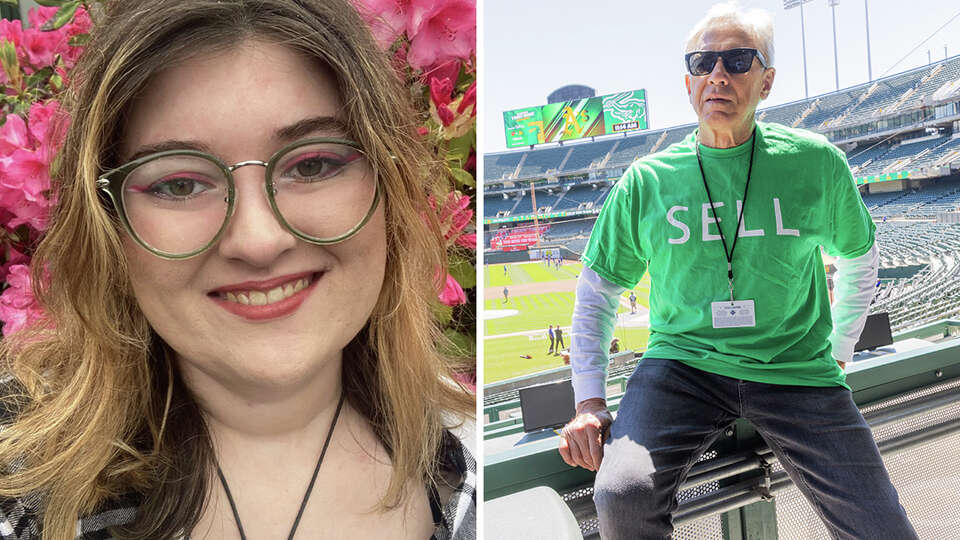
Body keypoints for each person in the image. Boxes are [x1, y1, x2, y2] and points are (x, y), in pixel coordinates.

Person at [0, 2, 475, 540]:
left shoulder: (474, 471)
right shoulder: (18, 490)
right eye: (179, 184)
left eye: (312, 164)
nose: (259, 240)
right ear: (107, 222)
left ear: (391, 183)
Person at [558, 4, 917, 539]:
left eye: (737, 59)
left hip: (796, 367)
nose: (717, 75)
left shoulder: (816, 163)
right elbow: (597, 292)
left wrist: (839, 350)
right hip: (682, 367)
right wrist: (589, 402)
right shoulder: (647, 181)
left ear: (766, 81)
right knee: (621, 495)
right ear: (688, 83)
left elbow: (860, 258)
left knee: (882, 528)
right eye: (703, 62)